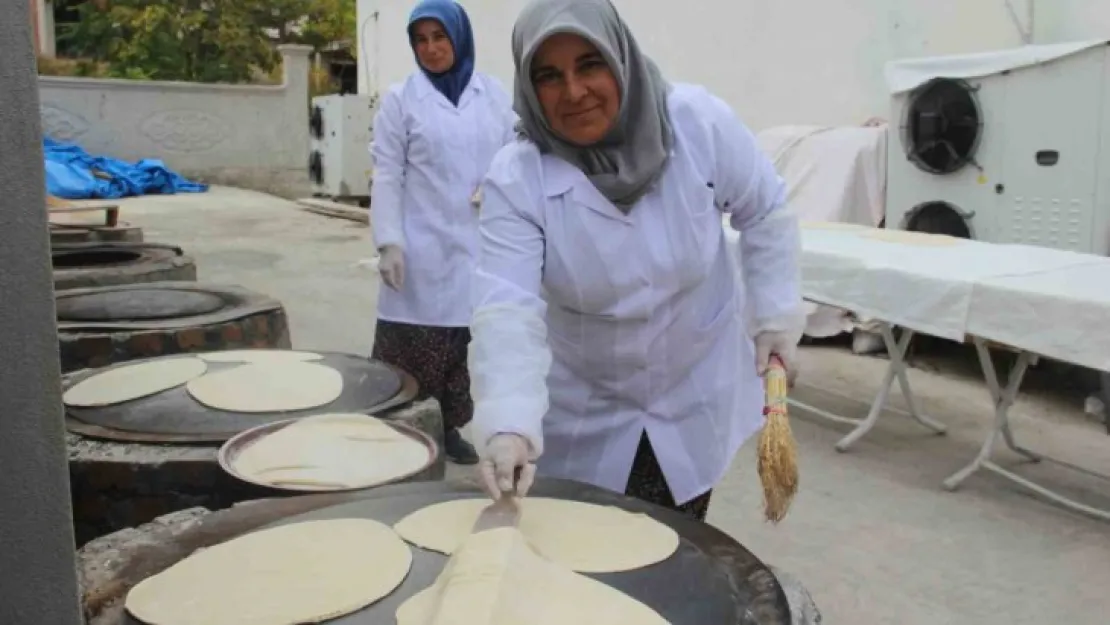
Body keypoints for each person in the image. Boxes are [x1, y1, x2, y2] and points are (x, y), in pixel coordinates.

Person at [467, 0, 804, 521]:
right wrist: (508, 421)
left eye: (590, 64)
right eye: (549, 76)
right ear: (530, 90)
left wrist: (775, 314)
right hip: (586, 403)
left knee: (677, 544)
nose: (574, 91)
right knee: (585, 554)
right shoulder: (517, 179)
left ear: (619, 56)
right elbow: (507, 307)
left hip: (692, 386)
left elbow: (765, 210)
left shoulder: (698, 126)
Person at [369, 0, 516, 465]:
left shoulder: (492, 95)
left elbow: (516, 153)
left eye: (440, 37)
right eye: (421, 40)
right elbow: (388, 172)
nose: (431, 49)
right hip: (421, 244)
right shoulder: (401, 99)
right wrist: (389, 241)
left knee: (459, 345)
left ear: (459, 37)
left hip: (477, 241)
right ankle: (400, 431)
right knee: (412, 346)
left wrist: (496, 184)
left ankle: (448, 428)